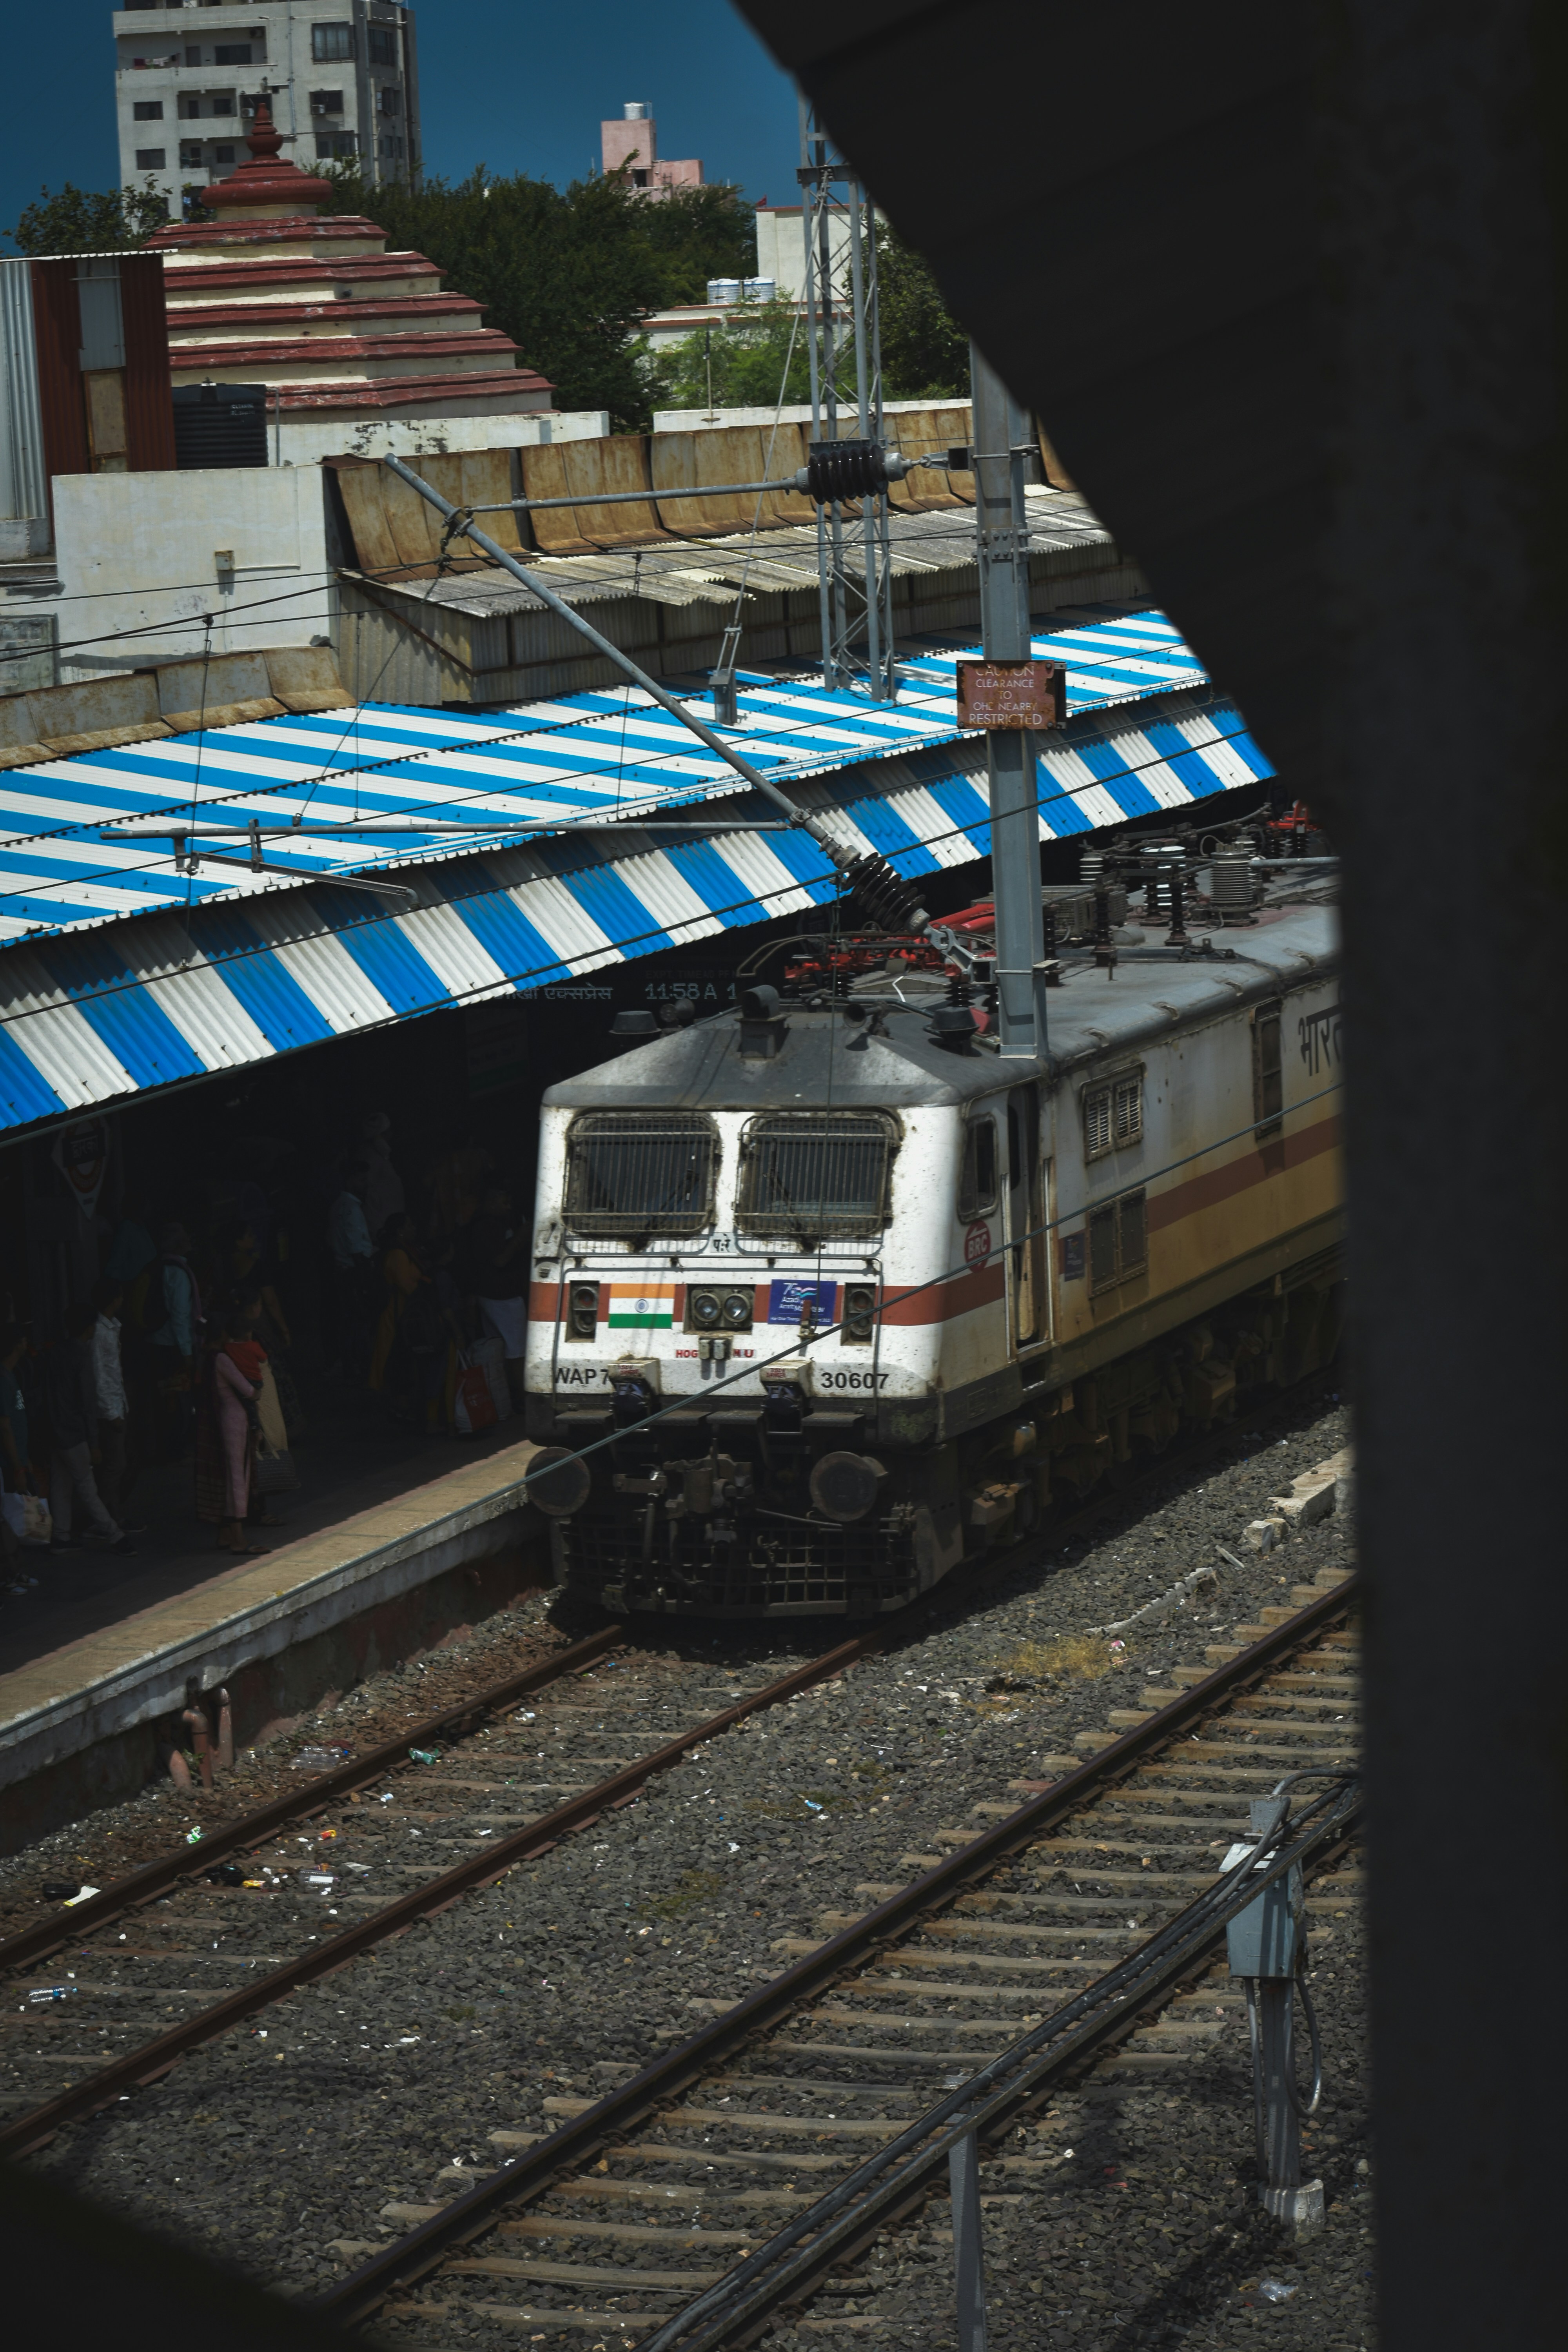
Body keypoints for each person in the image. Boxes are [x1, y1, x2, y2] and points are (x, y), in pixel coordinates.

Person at [45, 1301, 135, 1556]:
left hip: (56, 1429)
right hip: (74, 1432)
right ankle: (116, 1536)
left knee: (60, 1485)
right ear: (89, 1328)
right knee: (87, 1489)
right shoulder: (81, 1356)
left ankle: (61, 1536)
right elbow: (87, 1403)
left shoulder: (56, 1353)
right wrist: (94, 1443)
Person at [193, 1299, 265, 1555]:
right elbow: (247, 1390)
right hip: (234, 1421)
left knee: (228, 1475)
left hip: (221, 1419)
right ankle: (239, 1538)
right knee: (238, 1476)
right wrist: (257, 1392)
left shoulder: (207, 1357)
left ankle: (225, 1534)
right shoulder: (222, 1359)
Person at [462, 1183, 529, 1410]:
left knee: (499, 1349)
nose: (509, 1207)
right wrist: (521, 1236)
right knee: (516, 1351)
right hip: (502, 1296)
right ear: (491, 1202)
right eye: (504, 1202)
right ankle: (524, 1399)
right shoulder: (487, 1226)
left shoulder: (492, 1223)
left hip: (491, 1294)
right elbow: (500, 1260)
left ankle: (504, 1400)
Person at [89, 1277, 141, 1530]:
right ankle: (105, 1519)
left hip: (118, 1405)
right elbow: (100, 1375)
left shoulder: (110, 1328)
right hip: (111, 1410)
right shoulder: (100, 1332)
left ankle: (110, 1515)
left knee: (120, 1463)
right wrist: (113, 1413)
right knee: (116, 1464)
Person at [148, 1221, 202, 1459]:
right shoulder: (178, 1272)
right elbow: (180, 1315)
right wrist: (188, 1352)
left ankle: (168, 1447)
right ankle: (174, 1450)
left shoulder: (160, 1266)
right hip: (172, 1347)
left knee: (166, 1400)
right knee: (177, 1401)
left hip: (158, 1343)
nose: (190, 1239)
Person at [358, 1111, 406, 1240]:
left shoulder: (380, 1156)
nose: (391, 1134)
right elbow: (368, 1190)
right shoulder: (370, 1157)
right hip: (379, 1219)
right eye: (388, 1131)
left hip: (387, 1215)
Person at [0, 1322, 34, 1498]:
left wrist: (24, 1459)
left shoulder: (10, 1374)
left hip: (16, 1462)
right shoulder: (3, 1379)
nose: (26, 1343)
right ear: (17, 1344)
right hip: (8, 1466)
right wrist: (18, 1469)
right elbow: (5, 1428)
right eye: (24, 1340)